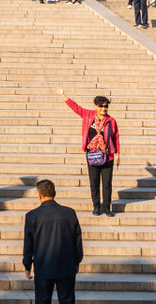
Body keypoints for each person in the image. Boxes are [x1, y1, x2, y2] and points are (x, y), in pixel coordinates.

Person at [55, 86, 120, 216]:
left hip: (108, 155)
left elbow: (116, 137)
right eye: (101, 106)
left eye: (106, 106)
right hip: (92, 154)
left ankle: (107, 208)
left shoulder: (111, 120)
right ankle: (96, 206)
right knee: (94, 182)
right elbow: (76, 108)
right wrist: (63, 96)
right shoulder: (88, 115)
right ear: (96, 106)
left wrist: (117, 154)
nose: (103, 109)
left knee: (107, 183)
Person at [22, 179, 83, 304]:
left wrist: (27, 265)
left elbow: (29, 244)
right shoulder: (69, 213)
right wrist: (77, 261)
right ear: (55, 193)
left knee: (42, 300)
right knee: (67, 300)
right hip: (66, 266)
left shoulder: (32, 216)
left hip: (43, 266)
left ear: (39, 195)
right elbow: (77, 240)